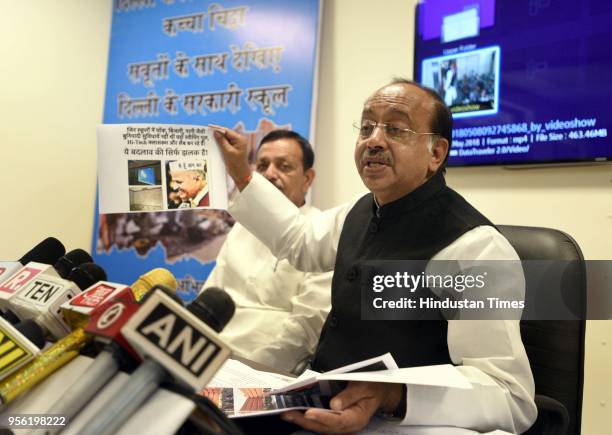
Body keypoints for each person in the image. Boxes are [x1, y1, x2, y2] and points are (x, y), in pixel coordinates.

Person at [211, 79, 537, 434]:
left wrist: (392, 395)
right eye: (366, 127)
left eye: (396, 129)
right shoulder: (359, 211)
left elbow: (509, 396)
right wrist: (242, 174)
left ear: (436, 153)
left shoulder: (476, 250)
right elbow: (299, 241)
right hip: (319, 408)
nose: (374, 140)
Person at [203, 130, 332, 374]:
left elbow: (305, 331)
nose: (270, 174)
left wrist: (248, 373)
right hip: (211, 361)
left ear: (307, 179)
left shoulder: (320, 235)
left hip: (264, 372)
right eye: (262, 166)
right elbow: (211, 299)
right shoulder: (241, 228)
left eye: (284, 166)